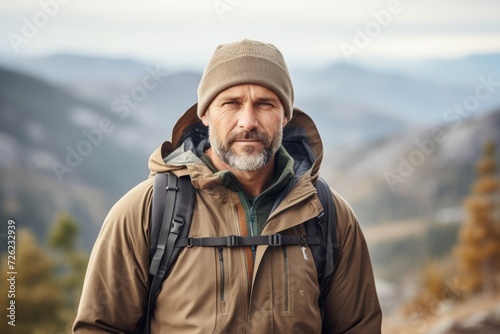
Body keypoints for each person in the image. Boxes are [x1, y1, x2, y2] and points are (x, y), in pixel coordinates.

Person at [73, 39, 382, 333]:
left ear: (285, 115)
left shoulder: (328, 215)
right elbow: (100, 327)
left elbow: (359, 328)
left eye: (264, 104)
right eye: (231, 103)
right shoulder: (147, 211)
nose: (247, 121)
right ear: (204, 113)